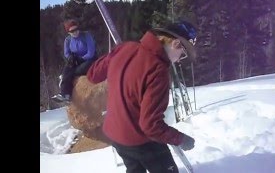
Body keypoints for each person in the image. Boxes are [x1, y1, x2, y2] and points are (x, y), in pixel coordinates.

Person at [86, 20, 197, 173]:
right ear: (176, 44)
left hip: (115, 134)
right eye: (183, 54)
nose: (179, 60)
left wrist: (115, 57)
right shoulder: (158, 70)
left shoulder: (125, 47)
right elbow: (150, 125)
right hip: (140, 140)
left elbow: (93, 75)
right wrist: (180, 139)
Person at [52, 19, 97, 102]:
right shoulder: (68, 40)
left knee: (75, 71)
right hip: (76, 61)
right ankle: (65, 94)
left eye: (76, 29)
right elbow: (66, 53)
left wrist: (81, 58)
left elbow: (91, 52)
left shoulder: (86, 35)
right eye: (72, 31)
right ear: (69, 32)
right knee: (67, 70)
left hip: (89, 59)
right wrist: (70, 58)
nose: (75, 32)